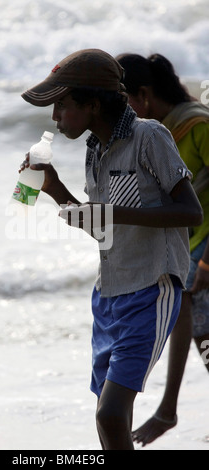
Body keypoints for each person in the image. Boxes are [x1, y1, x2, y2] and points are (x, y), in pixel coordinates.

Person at [19, 49, 203, 450]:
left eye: (62, 106)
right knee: (107, 414)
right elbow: (104, 229)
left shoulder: (148, 136)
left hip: (151, 288)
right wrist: (55, 192)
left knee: (111, 413)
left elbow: (190, 211)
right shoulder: (94, 150)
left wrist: (118, 211)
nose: (55, 118)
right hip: (108, 297)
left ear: (92, 103)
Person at [116, 52, 209, 446]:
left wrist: (207, 260)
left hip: (204, 247)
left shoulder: (197, 124)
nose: (121, 112)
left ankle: (168, 409)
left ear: (144, 94)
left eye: (124, 102)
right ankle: (168, 409)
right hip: (187, 245)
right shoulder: (156, 132)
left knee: (190, 316)